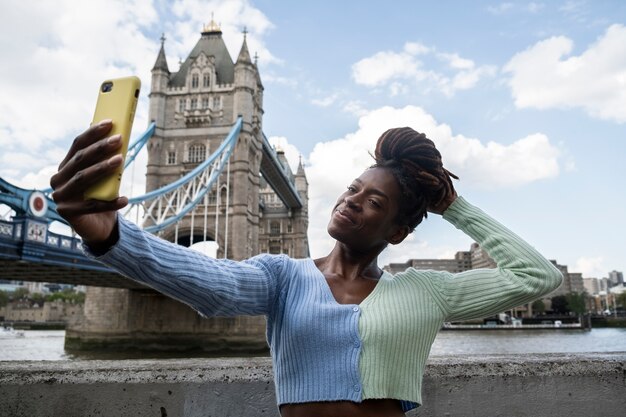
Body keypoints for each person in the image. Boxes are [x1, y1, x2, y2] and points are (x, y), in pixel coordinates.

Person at [50, 120, 563, 417]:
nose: (353, 201)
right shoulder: (282, 276)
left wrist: (450, 204)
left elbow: (536, 276)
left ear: (399, 232)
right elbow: (213, 284)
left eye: (375, 202)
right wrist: (113, 235)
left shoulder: (426, 291)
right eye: (352, 189)